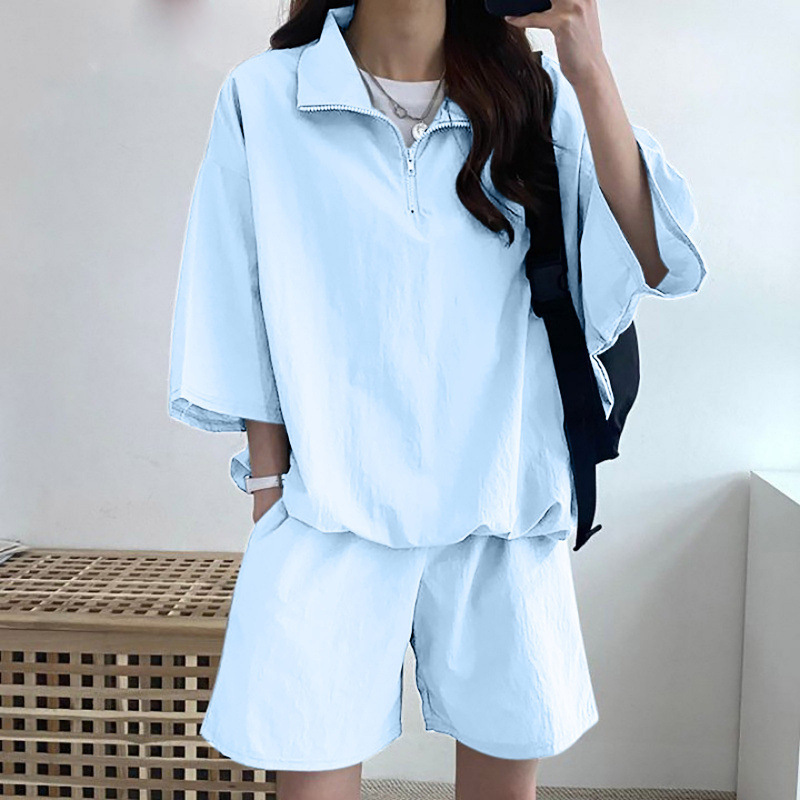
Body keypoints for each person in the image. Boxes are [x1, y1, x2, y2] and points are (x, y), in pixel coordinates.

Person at [167, 0, 707, 797]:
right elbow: (237, 293)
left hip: (502, 502)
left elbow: (661, 258)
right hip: (330, 507)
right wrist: (271, 487)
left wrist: (588, 66)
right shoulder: (265, 96)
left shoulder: (533, 94)